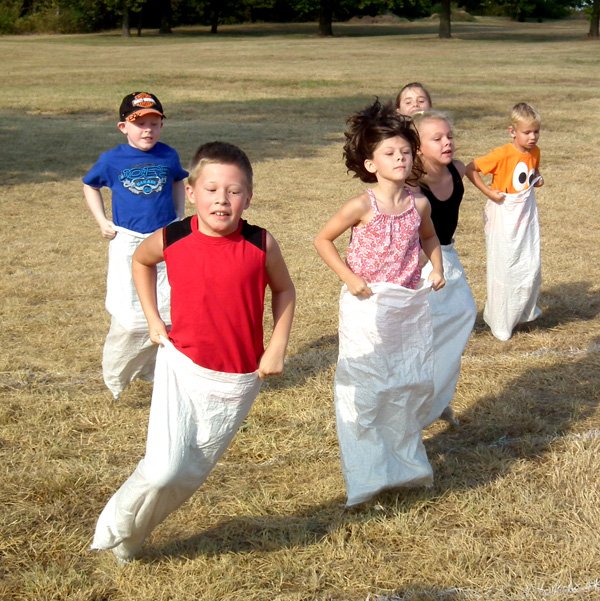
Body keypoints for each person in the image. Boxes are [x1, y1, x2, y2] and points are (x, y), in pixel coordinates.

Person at [91, 141, 296, 562]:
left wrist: (276, 346)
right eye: (212, 188)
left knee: (188, 475)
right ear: (191, 192)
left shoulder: (261, 243)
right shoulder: (173, 236)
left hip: (238, 380)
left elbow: (285, 290)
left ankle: (133, 537)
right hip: (181, 367)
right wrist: (152, 318)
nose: (222, 198)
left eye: (234, 190)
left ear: (249, 196)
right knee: (164, 467)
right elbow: (141, 262)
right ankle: (115, 525)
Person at [314, 98, 445, 507]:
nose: (400, 158)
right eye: (390, 153)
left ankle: (405, 465)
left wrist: (436, 268)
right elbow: (323, 240)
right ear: (371, 164)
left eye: (405, 151)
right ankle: (367, 473)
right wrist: (350, 279)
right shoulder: (361, 205)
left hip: (404, 306)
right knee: (369, 386)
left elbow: (428, 238)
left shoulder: (417, 203)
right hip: (366, 305)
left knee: (404, 382)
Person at [83, 91, 188, 399]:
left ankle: (156, 370)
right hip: (127, 240)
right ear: (123, 127)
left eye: (154, 123)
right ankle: (116, 376)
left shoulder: (168, 155)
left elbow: (178, 181)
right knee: (129, 314)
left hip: (164, 238)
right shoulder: (112, 160)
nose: (148, 130)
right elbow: (90, 184)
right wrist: (102, 222)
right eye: (139, 123)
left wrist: (180, 216)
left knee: (167, 308)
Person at [411, 110, 477, 428]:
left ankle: (438, 400)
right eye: (437, 138)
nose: (447, 142)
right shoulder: (411, 184)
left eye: (449, 136)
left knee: (463, 314)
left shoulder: (457, 169)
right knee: (425, 333)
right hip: (421, 263)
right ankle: (419, 404)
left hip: (447, 255)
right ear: (418, 147)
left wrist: (494, 193)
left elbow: (474, 169)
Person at [466, 102, 544, 341]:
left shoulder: (535, 152)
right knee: (505, 264)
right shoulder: (502, 154)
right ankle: (501, 320)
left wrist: (537, 178)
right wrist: (488, 192)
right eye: (527, 132)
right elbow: (471, 168)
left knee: (528, 261)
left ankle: (521, 312)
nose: (532, 137)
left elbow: (531, 173)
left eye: (536, 132)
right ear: (513, 131)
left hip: (525, 213)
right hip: (504, 213)